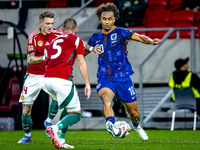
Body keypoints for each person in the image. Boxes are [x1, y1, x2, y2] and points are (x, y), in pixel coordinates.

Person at [87, 3, 162, 140]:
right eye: (104, 18)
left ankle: (135, 125)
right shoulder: (95, 37)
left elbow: (139, 37)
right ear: (100, 18)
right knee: (106, 99)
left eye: (110, 18)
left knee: (134, 113)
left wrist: (151, 41)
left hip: (123, 77)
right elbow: (83, 50)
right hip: (105, 77)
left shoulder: (121, 32)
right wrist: (90, 49)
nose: (107, 21)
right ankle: (110, 125)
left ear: (114, 18)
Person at [44, 18, 91, 149]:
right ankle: (53, 128)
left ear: (62, 30)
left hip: (47, 79)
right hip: (62, 80)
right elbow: (81, 62)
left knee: (68, 109)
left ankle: (61, 140)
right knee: (76, 114)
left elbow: (48, 60)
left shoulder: (52, 41)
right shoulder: (76, 40)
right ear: (76, 30)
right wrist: (87, 83)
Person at [18, 10, 63, 144]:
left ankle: (48, 122)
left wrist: (89, 48)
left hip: (49, 74)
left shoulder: (57, 34)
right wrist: (44, 57)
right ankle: (27, 135)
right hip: (33, 75)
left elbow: (72, 42)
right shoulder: (33, 36)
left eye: (52, 24)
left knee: (58, 97)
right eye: (47, 24)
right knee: (26, 110)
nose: (50, 26)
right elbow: (30, 59)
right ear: (41, 22)